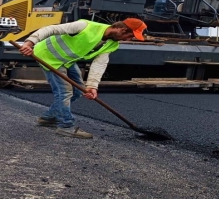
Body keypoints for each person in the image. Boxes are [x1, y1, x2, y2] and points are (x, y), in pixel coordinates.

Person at [19, 18, 147, 139]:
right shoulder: (85, 26)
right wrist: (29, 43)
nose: (128, 39)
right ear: (122, 30)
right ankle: (65, 126)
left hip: (66, 61)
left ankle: (48, 118)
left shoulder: (112, 44)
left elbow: (99, 64)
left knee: (79, 90)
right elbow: (51, 29)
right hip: (48, 56)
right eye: (130, 36)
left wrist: (92, 86)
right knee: (64, 92)